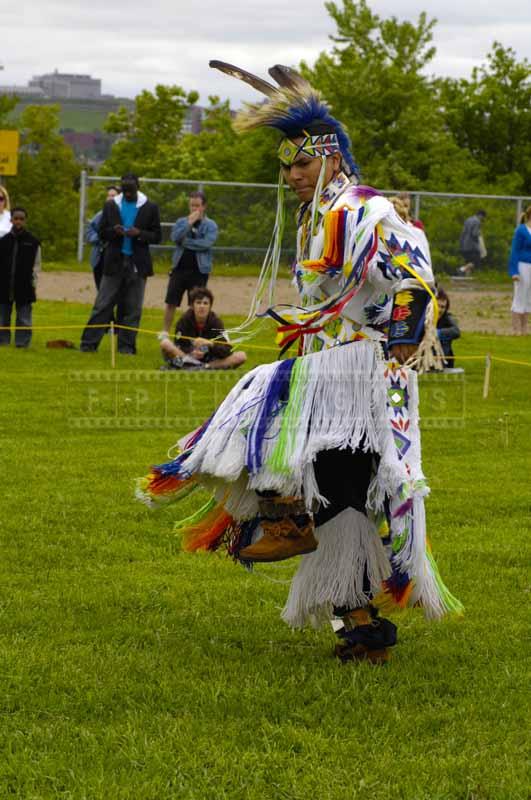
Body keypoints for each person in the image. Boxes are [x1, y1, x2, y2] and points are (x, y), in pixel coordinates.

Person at [138, 62, 461, 665]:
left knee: (263, 389)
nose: (291, 175)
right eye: (285, 166)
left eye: (302, 164)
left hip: (365, 375)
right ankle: (359, 622)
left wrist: (395, 342)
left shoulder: (366, 210)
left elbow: (416, 278)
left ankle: (278, 512)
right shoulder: (317, 215)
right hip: (334, 371)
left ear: (333, 159)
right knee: (340, 493)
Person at [80, 174, 161, 355]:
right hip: (114, 262)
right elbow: (101, 233)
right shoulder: (111, 205)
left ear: (138, 187)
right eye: (125, 191)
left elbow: (157, 235)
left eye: (131, 191)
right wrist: (113, 232)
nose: (128, 195)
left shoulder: (150, 207)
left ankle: (126, 347)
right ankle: (88, 344)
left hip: (137, 264)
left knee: (132, 307)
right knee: (103, 304)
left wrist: (139, 233)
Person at [162, 191, 218, 335]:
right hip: (179, 269)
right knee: (171, 302)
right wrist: (189, 223)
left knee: (196, 304)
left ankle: (191, 334)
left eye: (197, 206)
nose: (194, 209)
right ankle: (165, 333)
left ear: (204, 206)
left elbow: (206, 243)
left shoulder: (211, 225)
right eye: (192, 205)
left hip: (199, 270)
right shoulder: (182, 222)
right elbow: (175, 237)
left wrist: (185, 242)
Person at [159, 287, 247, 370]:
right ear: (192, 306)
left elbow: (227, 350)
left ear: (210, 306)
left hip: (210, 359)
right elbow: (179, 345)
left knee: (241, 356)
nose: (202, 306)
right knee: (165, 343)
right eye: (198, 302)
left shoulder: (216, 322)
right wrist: (192, 351)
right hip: (188, 357)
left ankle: (200, 367)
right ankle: (195, 366)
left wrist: (210, 344)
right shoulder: (183, 321)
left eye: (205, 303)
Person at [0, 207, 41, 347]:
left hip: (25, 285)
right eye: (16, 218)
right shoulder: (3, 241)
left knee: (24, 317)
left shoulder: (33, 242)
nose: (18, 221)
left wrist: (34, 284)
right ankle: (2, 341)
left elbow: (37, 265)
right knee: (2, 316)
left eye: (21, 219)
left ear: (25, 221)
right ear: (11, 220)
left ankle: (22, 342)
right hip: (4, 284)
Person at [86, 185, 120, 289]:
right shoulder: (100, 215)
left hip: (116, 257)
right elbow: (89, 233)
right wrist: (100, 237)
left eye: (113, 195)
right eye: (108, 196)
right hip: (100, 257)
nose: (110, 198)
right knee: (100, 288)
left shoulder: (123, 215)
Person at [508, 205, 531, 336]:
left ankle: (524, 329)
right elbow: (515, 251)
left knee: (528, 298)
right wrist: (514, 271)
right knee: (520, 296)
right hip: (522, 266)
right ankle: (516, 330)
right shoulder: (521, 231)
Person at [436, 288, 460, 368]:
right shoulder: (423, 317)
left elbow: (456, 331)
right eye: (437, 305)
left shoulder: (448, 318)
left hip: (444, 362)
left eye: (443, 307)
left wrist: (437, 333)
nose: (439, 310)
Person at [458, 210, 487, 276]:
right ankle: (462, 269)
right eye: (483, 217)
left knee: (468, 261)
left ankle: (467, 276)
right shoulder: (477, 221)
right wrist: (480, 234)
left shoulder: (468, 220)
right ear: (480, 215)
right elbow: (474, 233)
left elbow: (463, 232)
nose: (483, 219)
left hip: (464, 244)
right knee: (476, 261)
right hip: (472, 245)